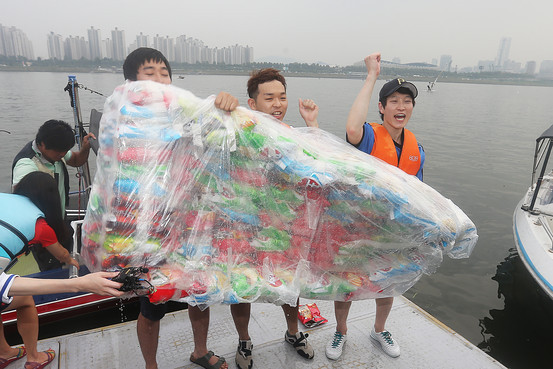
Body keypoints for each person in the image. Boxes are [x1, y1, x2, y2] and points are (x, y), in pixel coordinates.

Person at [123, 47, 238, 369]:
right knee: (151, 305)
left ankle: (199, 351)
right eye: (151, 73)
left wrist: (224, 105)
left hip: (190, 226)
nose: (160, 79)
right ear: (132, 82)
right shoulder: (126, 125)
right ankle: (151, 365)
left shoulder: (186, 116)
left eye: (165, 73)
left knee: (198, 295)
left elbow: (218, 131)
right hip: (150, 234)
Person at [325, 53, 424, 361]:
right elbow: (351, 128)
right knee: (347, 285)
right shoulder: (368, 135)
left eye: (406, 101)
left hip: (393, 230)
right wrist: (371, 75)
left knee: (390, 282)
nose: (401, 107)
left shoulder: (416, 149)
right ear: (381, 108)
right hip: (356, 226)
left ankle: (379, 329)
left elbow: (420, 195)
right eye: (393, 101)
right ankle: (341, 330)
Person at [229, 68, 319, 369]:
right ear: (252, 104)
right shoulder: (237, 132)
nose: (278, 104)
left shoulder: (292, 135)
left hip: (282, 227)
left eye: (282, 97)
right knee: (241, 288)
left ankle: (293, 332)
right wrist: (220, 105)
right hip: (244, 227)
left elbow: (319, 165)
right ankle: (244, 339)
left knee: (289, 285)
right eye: (269, 98)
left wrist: (312, 125)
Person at [0, 171, 124, 369]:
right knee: (26, 300)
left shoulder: (3, 198)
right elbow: (60, 254)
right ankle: (34, 358)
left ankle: (5, 352)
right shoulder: (39, 225)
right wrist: (74, 267)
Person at [12, 119, 96, 271]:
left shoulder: (56, 150)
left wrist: (85, 148)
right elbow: (18, 199)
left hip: (59, 218)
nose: (63, 155)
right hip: (41, 228)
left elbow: (76, 160)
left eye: (65, 151)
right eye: (59, 152)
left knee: (64, 254)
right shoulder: (26, 165)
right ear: (42, 144)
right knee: (50, 267)